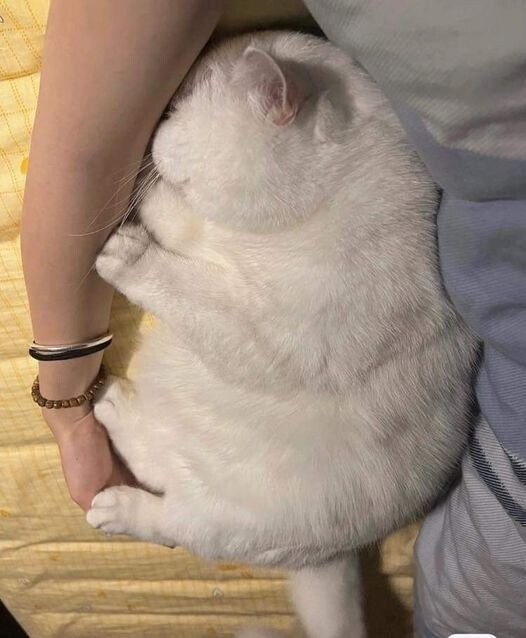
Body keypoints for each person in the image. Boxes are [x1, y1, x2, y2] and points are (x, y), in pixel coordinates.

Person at [21, 1, 526, 636]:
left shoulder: (371, 222)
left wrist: (152, 275)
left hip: (314, 484)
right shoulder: (339, 175)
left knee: (266, 520)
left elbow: (275, 352)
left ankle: (164, 519)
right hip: (429, 470)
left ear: (281, 108)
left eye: (175, 111)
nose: (162, 128)